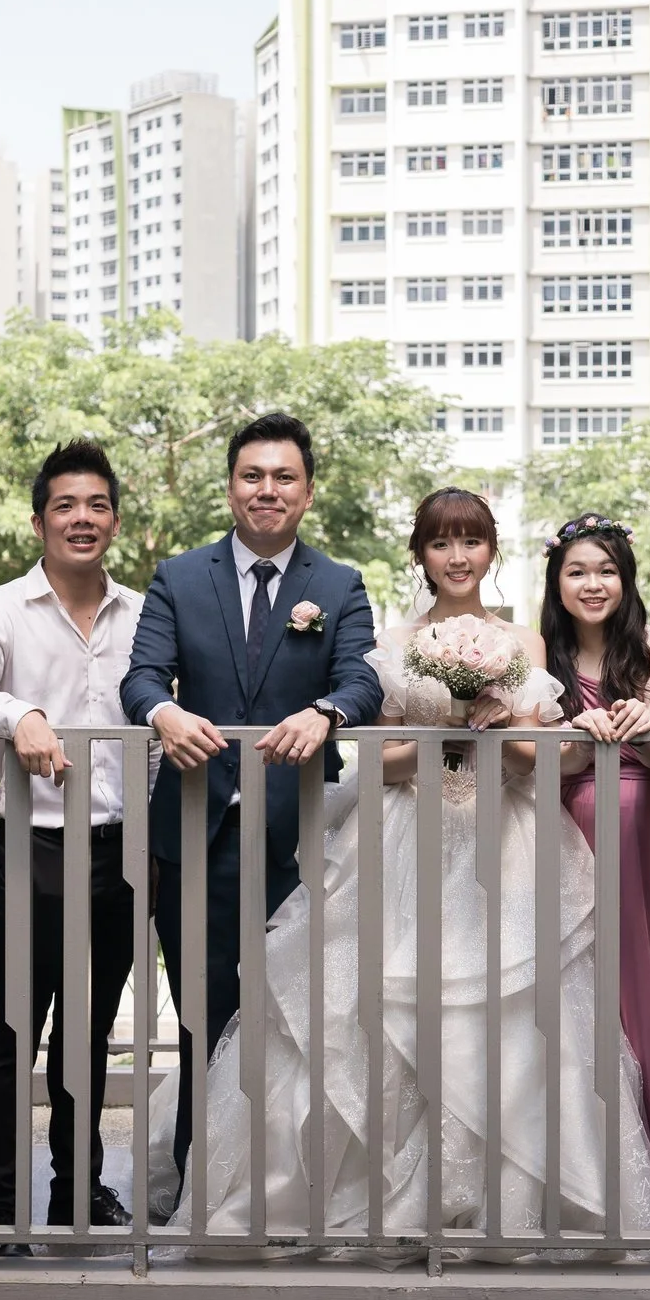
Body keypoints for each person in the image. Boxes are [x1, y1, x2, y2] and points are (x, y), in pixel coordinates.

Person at [173, 487, 650, 1247]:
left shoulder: (527, 643)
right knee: (377, 1004)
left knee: (508, 1014)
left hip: (504, 837)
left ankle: (495, 1199)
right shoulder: (395, 639)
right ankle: (369, 1194)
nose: (457, 557)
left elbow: (542, 758)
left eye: (471, 541)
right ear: (421, 554)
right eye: (441, 543)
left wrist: (497, 730)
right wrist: (448, 737)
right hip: (403, 838)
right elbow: (378, 762)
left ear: (491, 551)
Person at [118, 411, 385, 1195]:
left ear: (307, 492)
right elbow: (140, 677)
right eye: (252, 476)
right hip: (194, 830)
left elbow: (365, 679)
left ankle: (286, 1184)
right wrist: (161, 713)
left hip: (300, 836)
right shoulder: (177, 576)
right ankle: (207, 1186)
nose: (266, 490)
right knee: (202, 1017)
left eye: (284, 478)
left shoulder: (337, 585)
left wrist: (326, 712)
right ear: (231, 485)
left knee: (298, 1018)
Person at [0, 442, 146, 1234]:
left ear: (115, 520)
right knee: (13, 1029)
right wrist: (18, 714)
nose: (82, 518)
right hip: (32, 847)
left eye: (97, 504)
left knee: (91, 1030)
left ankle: (76, 1189)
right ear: (39, 520)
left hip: (121, 850)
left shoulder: (141, 611)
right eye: (66, 505)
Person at [539, 513, 650, 1234]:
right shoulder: (538, 656)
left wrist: (627, 718)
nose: (593, 583)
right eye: (577, 570)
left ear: (627, 578)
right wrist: (577, 738)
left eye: (606, 570)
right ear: (556, 581)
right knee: (579, 1006)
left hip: (649, 826)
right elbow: (536, 756)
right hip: (564, 833)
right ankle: (590, 1190)